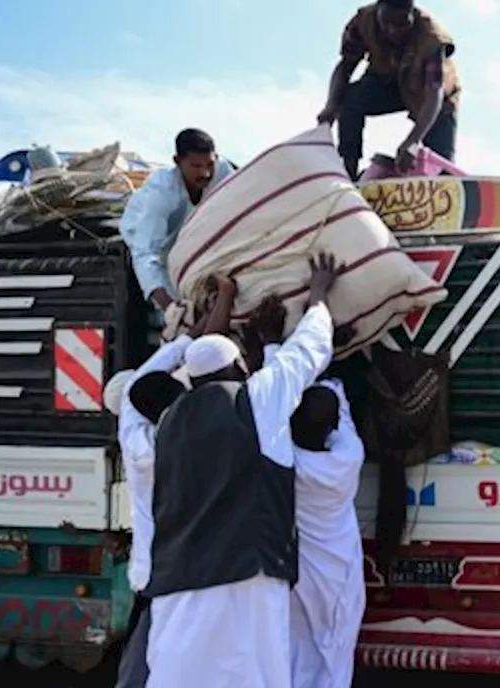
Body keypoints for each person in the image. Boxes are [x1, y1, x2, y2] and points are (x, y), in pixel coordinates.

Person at [141, 254, 341, 688]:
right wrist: (320, 295)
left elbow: (138, 392)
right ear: (239, 369)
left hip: (178, 584)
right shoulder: (255, 400)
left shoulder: (165, 425)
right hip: (246, 577)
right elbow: (306, 352)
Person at [110, 279, 236, 688]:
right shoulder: (188, 439)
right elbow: (208, 372)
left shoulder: (137, 444)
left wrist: (184, 342)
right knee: (168, 664)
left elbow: (138, 391)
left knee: (149, 659)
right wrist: (223, 305)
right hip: (180, 574)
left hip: (156, 572)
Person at [257, 315, 366, 688]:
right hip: (338, 570)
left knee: (293, 642)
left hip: (295, 566)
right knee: (333, 644)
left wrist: (273, 343)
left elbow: (274, 404)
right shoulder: (349, 455)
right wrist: (332, 350)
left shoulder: (285, 458)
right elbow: (336, 398)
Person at [317, 0, 461, 180]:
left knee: (442, 174)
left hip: (430, 98)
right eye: (387, 23)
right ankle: (348, 171)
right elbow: (345, 66)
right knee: (348, 99)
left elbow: (434, 93)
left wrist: (412, 141)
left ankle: (438, 185)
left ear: (412, 15)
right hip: (386, 83)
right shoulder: (362, 22)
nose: (394, 31)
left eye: (402, 24)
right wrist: (331, 105)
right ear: (378, 11)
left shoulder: (431, 38)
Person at [120, 129, 236, 311]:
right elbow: (146, 253)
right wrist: (170, 309)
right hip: (156, 246)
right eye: (196, 166)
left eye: (209, 164)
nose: (205, 173)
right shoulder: (160, 193)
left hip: (192, 240)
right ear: (177, 162)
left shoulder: (223, 172)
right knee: (174, 312)